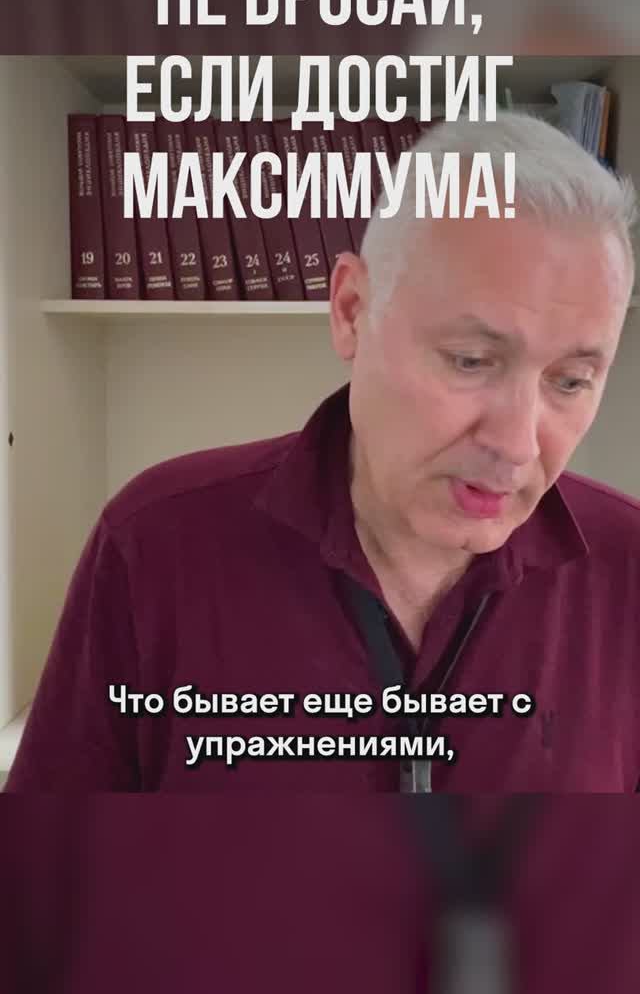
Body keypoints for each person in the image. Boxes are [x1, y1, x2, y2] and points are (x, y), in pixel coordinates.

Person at [5, 110, 640, 792]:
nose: (516, 445)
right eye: (470, 360)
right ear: (350, 310)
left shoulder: (628, 568)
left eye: (570, 381)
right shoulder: (154, 546)